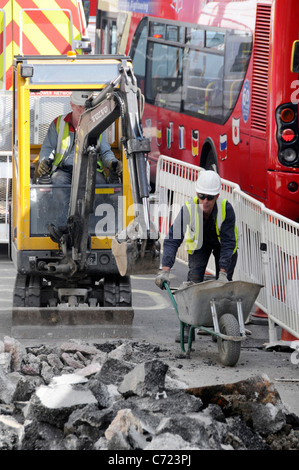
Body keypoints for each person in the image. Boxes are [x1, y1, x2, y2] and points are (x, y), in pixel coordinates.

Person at [155, 170, 238, 342]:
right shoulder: (188, 208)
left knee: (222, 287)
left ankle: (220, 328)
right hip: (200, 245)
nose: (205, 201)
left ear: (217, 196)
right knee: (193, 284)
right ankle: (188, 328)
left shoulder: (226, 209)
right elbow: (172, 239)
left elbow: (229, 242)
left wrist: (223, 273)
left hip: (224, 245)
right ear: (197, 194)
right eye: (202, 196)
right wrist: (165, 270)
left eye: (209, 197)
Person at [37, 90, 122, 185]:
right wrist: (43, 161)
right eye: (80, 107)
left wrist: (112, 163)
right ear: (72, 105)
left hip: (90, 169)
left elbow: (105, 152)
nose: (82, 111)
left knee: (99, 182)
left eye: (86, 107)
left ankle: (100, 201)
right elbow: (48, 148)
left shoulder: (97, 124)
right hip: (64, 170)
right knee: (58, 181)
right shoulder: (58, 123)